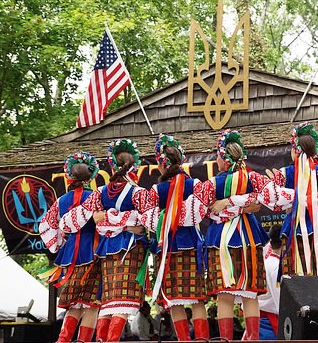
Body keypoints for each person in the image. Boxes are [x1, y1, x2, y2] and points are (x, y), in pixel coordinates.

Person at [190, 129, 293, 340]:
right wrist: (246, 205)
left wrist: (229, 203)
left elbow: (199, 212)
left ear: (224, 159)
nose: (217, 159)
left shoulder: (211, 185)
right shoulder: (254, 179)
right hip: (249, 238)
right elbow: (273, 198)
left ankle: (226, 340)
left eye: (218, 155)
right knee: (251, 293)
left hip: (221, 241)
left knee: (225, 296)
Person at [60, 138, 152, 342]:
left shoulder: (100, 193)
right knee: (123, 301)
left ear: (111, 165)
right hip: (131, 248)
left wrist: (107, 218)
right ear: (134, 165)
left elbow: (69, 224)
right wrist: (128, 223)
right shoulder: (139, 193)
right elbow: (150, 222)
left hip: (106, 250)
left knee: (109, 302)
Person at [141, 134, 209, 340]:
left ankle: (184, 340)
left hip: (167, 247)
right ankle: (203, 340)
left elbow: (148, 219)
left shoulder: (155, 190)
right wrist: (179, 215)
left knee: (174, 300)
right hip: (190, 245)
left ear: (162, 166)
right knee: (197, 299)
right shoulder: (195, 184)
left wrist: (168, 217)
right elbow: (201, 211)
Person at [39, 152, 101, 343]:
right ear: (90, 177)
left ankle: (63, 340)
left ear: (70, 177)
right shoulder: (95, 197)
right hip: (92, 251)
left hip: (70, 255)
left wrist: (60, 243)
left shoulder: (61, 201)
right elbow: (103, 221)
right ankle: (82, 341)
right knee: (92, 303)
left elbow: (45, 225)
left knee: (74, 303)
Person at [274, 122, 318, 276]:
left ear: (295, 150)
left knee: (296, 279)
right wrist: (311, 200)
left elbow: (271, 198)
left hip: (293, 228)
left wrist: (296, 200)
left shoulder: (283, 173)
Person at [257, 224, 283, 340]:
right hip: (269, 322)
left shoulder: (267, 261)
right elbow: (279, 299)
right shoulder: (275, 265)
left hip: (262, 318)